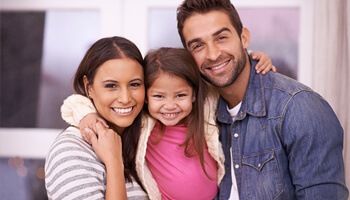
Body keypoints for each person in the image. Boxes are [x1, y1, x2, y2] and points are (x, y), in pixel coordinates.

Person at [176, 0, 349, 199]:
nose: (213, 54)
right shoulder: (201, 113)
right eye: (198, 46)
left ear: (244, 37)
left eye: (222, 38)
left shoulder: (299, 108)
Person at [60, 48, 275, 199]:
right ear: (146, 96)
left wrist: (251, 60)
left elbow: (226, 78)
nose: (170, 106)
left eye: (180, 95)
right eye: (159, 97)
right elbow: (75, 101)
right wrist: (86, 115)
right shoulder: (144, 120)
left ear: (193, 94)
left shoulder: (205, 109)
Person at [44, 36, 149, 199]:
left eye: (134, 84)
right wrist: (114, 163)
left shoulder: (140, 140)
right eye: (111, 86)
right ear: (89, 87)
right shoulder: (70, 151)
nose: (125, 98)